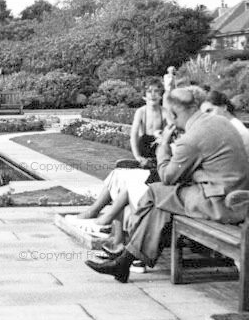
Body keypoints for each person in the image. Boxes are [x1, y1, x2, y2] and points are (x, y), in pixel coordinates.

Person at [85, 88, 249, 283]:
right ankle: (124, 261)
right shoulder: (219, 122)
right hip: (233, 196)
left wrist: (162, 148)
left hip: (219, 203)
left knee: (155, 192)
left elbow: (168, 177)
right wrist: (196, 173)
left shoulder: (192, 138)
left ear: (172, 114)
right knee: (160, 205)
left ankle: (126, 253)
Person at [70, 79, 167, 265]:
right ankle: (109, 230)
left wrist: (162, 141)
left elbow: (169, 134)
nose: (153, 95)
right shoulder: (141, 112)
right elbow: (133, 136)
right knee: (119, 174)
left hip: (159, 159)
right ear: (144, 95)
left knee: (122, 179)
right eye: (150, 92)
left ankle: (105, 226)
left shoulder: (165, 114)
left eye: (157, 92)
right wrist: (138, 157)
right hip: (145, 154)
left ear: (161, 94)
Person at [200, 90, 249, 157]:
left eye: (209, 111)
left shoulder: (234, 128)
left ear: (224, 107)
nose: (206, 116)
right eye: (203, 114)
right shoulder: (227, 125)